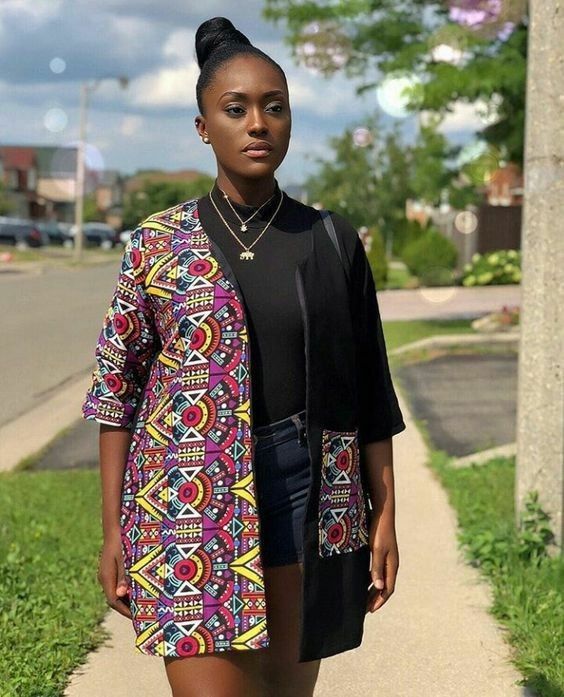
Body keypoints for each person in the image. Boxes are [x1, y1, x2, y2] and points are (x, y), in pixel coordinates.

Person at [82, 15, 406, 697]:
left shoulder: (330, 240)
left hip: (308, 490)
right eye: (236, 109)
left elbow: (370, 391)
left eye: (274, 107)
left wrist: (384, 514)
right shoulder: (157, 244)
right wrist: (113, 529)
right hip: (183, 497)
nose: (258, 123)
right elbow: (117, 394)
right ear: (204, 127)